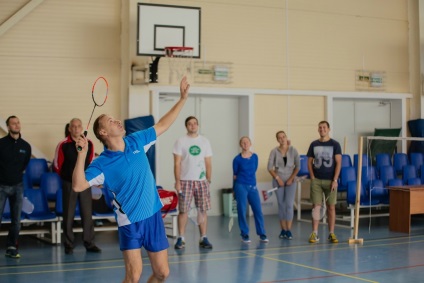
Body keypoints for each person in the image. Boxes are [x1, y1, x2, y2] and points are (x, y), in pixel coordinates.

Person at [72, 76, 190, 283]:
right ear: (103, 132)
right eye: (111, 121)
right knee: (133, 275)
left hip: (153, 215)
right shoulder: (102, 164)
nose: (117, 121)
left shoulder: (136, 140)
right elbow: (78, 184)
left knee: (162, 273)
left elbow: (163, 124)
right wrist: (81, 155)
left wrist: (182, 99)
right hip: (130, 222)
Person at [53, 118, 101, 255]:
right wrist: (68, 177)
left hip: (85, 183)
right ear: (69, 128)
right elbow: (57, 165)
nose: (76, 129)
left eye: (78, 126)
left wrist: (87, 179)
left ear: (81, 128)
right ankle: (68, 244)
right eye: (73, 126)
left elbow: (91, 162)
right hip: (69, 183)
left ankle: (89, 243)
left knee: (87, 214)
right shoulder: (62, 145)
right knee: (68, 214)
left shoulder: (89, 143)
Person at [173, 116, 213, 250]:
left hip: (202, 181)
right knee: (183, 210)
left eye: (195, 123)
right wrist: (177, 181)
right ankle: (181, 238)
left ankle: (204, 237)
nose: (193, 126)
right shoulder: (180, 141)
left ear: (198, 125)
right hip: (185, 181)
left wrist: (208, 179)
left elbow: (208, 162)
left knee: (202, 210)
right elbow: (177, 163)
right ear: (186, 126)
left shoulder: (205, 141)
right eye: (190, 124)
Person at [0, 115, 31, 258]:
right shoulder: (1, 144)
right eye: (13, 123)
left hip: (18, 186)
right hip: (2, 186)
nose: (16, 125)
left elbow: (24, 165)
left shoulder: (26, 146)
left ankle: (11, 247)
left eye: (18, 122)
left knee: (16, 221)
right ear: (8, 127)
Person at [306, 121, 342, 244]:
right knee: (316, 207)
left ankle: (331, 233)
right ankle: (314, 233)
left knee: (331, 207)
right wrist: (312, 177)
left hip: (331, 181)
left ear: (328, 129)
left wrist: (335, 180)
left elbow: (338, 163)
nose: (322, 129)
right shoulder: (313, 144)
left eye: (324, 127)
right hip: (316, 180)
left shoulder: (335, 144)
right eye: (320, 127)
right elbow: (309, 162)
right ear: (318, 129)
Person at [233, 136, 268, 243]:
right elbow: (235, 175)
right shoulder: (237, 159)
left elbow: (254, 169)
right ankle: (244, 234)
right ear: (240, 145)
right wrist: (234, 189)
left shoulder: (255, 157)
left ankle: (262, 233)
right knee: (242, 211)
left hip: (252, 186)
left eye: (247, 142)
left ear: (250, 143)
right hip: (240, 186)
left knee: (258, 210)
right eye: (243, 142)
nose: (245, 144)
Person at [267, 131, 300, 240]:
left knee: (289, 205)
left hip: (291, 180)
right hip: (278, 180)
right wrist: (277, 178)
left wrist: (291, 179)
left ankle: (289, 230)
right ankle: (283, 230)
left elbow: (298, 167)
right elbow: (269, 168)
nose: (282, 139)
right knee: (281, 205)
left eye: (283, 136)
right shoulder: (274, 151)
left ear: (286, 137)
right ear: (277, 140)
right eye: (279, 138)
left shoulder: (293, 150)